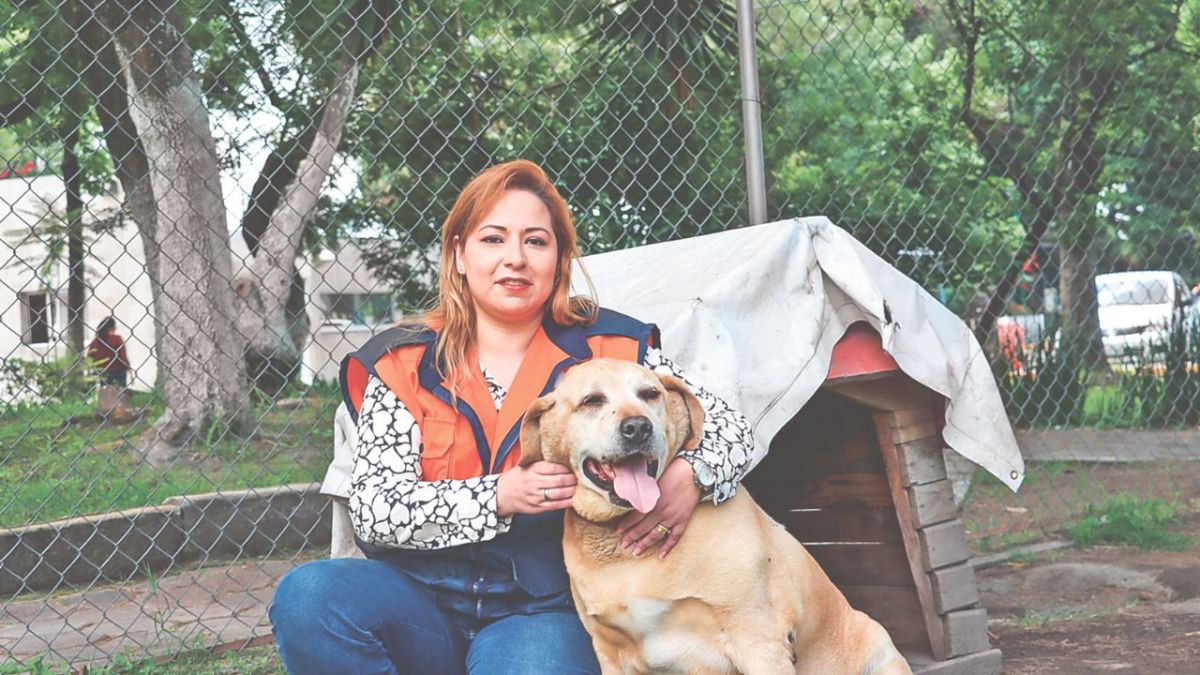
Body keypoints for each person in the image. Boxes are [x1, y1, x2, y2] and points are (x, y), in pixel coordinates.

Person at [269, 160, 756, 674]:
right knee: (310, 598)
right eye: (493, 239)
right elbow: (375, 509)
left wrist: (690, 477)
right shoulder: (402, 363)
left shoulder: (614, 347)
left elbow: (731, 428)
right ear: (459, 254)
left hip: (540, 609)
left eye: (536, 242)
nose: (515, 260)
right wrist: (499, 495)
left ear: (560, 258)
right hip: (417, 599)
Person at [86, 316, 130, 387]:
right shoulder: (116, 339)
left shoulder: (95, 342)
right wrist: (128, 367)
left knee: (104, 394)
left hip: (102, 373)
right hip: (118, 372)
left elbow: (89, 358)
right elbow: (123, 357)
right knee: (120, 393)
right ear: (112, 327)